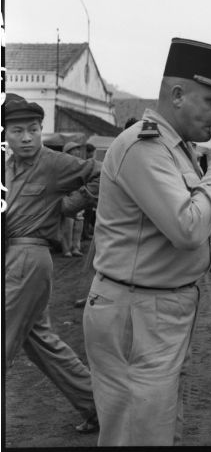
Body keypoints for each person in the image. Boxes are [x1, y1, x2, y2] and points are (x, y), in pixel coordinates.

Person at [82, 37, 211, 446]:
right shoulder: (146, 146)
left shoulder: (176, 148)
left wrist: (208, 253)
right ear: (177, 94)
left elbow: (155, 230)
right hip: (138, 310)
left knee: (157, 428)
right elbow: (187, 228)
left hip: (153, 306)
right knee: (137, 433)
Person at [4, 93, 101, 434]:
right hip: (8, 257)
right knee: (42, 343)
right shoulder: (6, 167)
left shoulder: (53, 163)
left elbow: (100, 174)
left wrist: (69, 205)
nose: (26, 137)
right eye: (16, 131)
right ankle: (97, 407)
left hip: (29, 257)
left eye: (33, 129)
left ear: (42, 130)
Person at [60, 141, 86, 257]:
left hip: (79, 194)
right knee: (68, 224)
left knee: (79, 223)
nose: (77, 151)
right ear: (68, 151)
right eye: (75, 149)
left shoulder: (81, 163)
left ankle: (76, 247)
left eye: (77, 149)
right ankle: (67, 249)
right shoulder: (63, 164)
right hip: (68, 195)